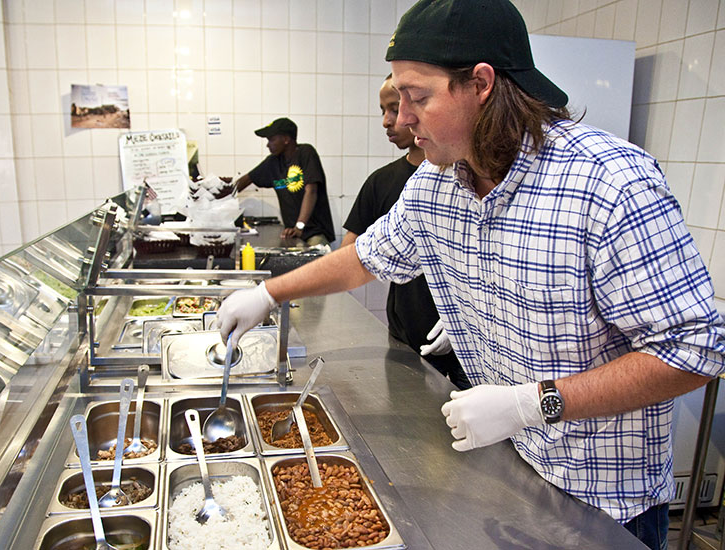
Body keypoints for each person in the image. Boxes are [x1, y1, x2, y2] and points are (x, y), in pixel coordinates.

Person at [217, 1, 725, 548]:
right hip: (507, 466)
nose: (403, 117)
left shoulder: (609, 184)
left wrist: (530, 404)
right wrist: (268, 293)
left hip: (600, 503)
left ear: (481, 83)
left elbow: (693, 351)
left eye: (418, 97)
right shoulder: (439, 183)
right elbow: (365, 257)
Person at [342, 74, 469, 389]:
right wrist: (275, 291)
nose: (392, 120)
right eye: (384, 111)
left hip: (471, 342)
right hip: (408, 334)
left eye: (396, 108)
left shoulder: (466, 178)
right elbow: (353, 254)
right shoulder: (391, 182)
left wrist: (464, 320)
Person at [235, 117, 335, 246]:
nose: (268, 144)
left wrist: (299, 226)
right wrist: (218, 194)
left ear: (286, 139)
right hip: (293, 233)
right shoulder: (273, 162)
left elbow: (311, 191)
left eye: (271, 139)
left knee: (318, 260)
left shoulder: (306, 153)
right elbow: (247, 179)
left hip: (314, 232)